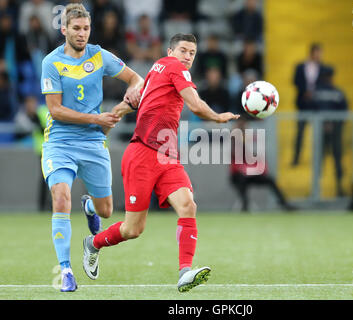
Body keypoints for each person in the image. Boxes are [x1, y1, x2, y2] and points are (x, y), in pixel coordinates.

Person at [82, 33, 240, 293]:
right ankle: (94, 243)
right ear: (170, 51)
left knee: (188, 205)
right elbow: (196, 106)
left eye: (192, 52)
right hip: (142, 153)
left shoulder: (157, 72)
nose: (187, 57)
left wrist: (109, 121)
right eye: (183, 51)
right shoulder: (174, 68)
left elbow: (128, 104)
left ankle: (184, 272)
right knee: (133, 229)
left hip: (166, 155)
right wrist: (218, 117)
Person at [40, 3, 144, 292]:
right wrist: (96, 117)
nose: (82, 33)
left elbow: (136, 78)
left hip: (93, 142)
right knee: (60, 199)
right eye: (76, 28)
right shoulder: (51, 62)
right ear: (64, 30)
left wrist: (132, 92)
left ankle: (89, 206)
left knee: (107, 211)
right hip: (59, 142)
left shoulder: (99, 56)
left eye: (86, 28)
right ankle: (66, 271)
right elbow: (56, 110)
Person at [230, 117, 296, 212]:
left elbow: (257, 158)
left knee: (270, 180)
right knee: (241, 180)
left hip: (251, 173)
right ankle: (245, 206)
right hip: (239, 174)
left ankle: (284, 204)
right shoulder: (234, 142)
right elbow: (236, 164)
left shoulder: (251, 141)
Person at [311, 67, 348, 197]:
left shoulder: (318, 92)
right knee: (324, 160)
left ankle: (332, 188)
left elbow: (312, 109)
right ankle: (320, 189)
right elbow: (344, 110)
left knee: (327, 160)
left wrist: (331, 123)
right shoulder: (337, 92)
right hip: (325, 131)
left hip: (331, 131)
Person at [291, 43, 325, 166]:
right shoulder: (300, 66)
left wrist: (314, 94)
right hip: (303, 104)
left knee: (318, 134)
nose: (319, 55)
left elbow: (324, 85)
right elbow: (295, 81)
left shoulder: (323, 68)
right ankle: (296, 159)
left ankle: (319, 159)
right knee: (300, 133)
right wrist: (305, 92)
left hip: (317, 105)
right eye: (317, 52)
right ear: (311, 53)